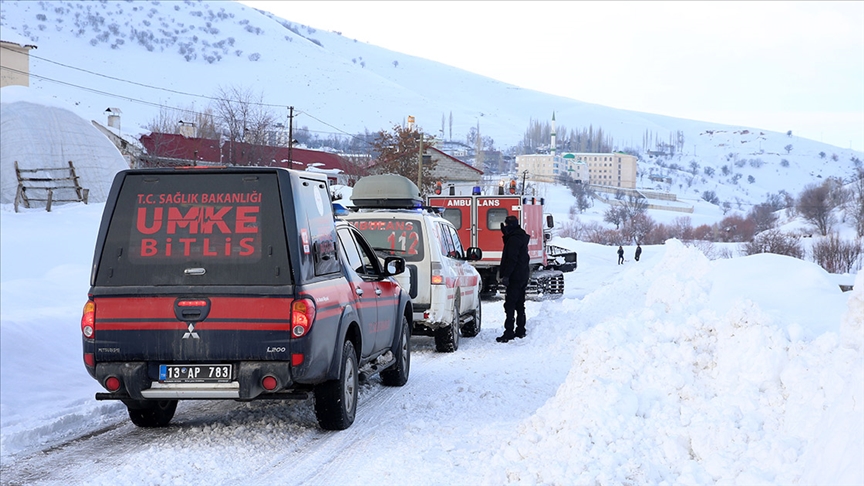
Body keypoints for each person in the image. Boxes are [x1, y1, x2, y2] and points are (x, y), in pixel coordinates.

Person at [496, 215, 530, 343]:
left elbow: (512, 259)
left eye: (506, 225)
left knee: (510, 304)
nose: (505, 227)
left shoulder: (514, 240)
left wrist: (506, 276)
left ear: (510, 226)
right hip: (522, 275)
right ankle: (520, 329)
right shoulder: (520, 236)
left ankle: (509, 331)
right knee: (520, 303)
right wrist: (506, 237)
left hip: (515, 277)